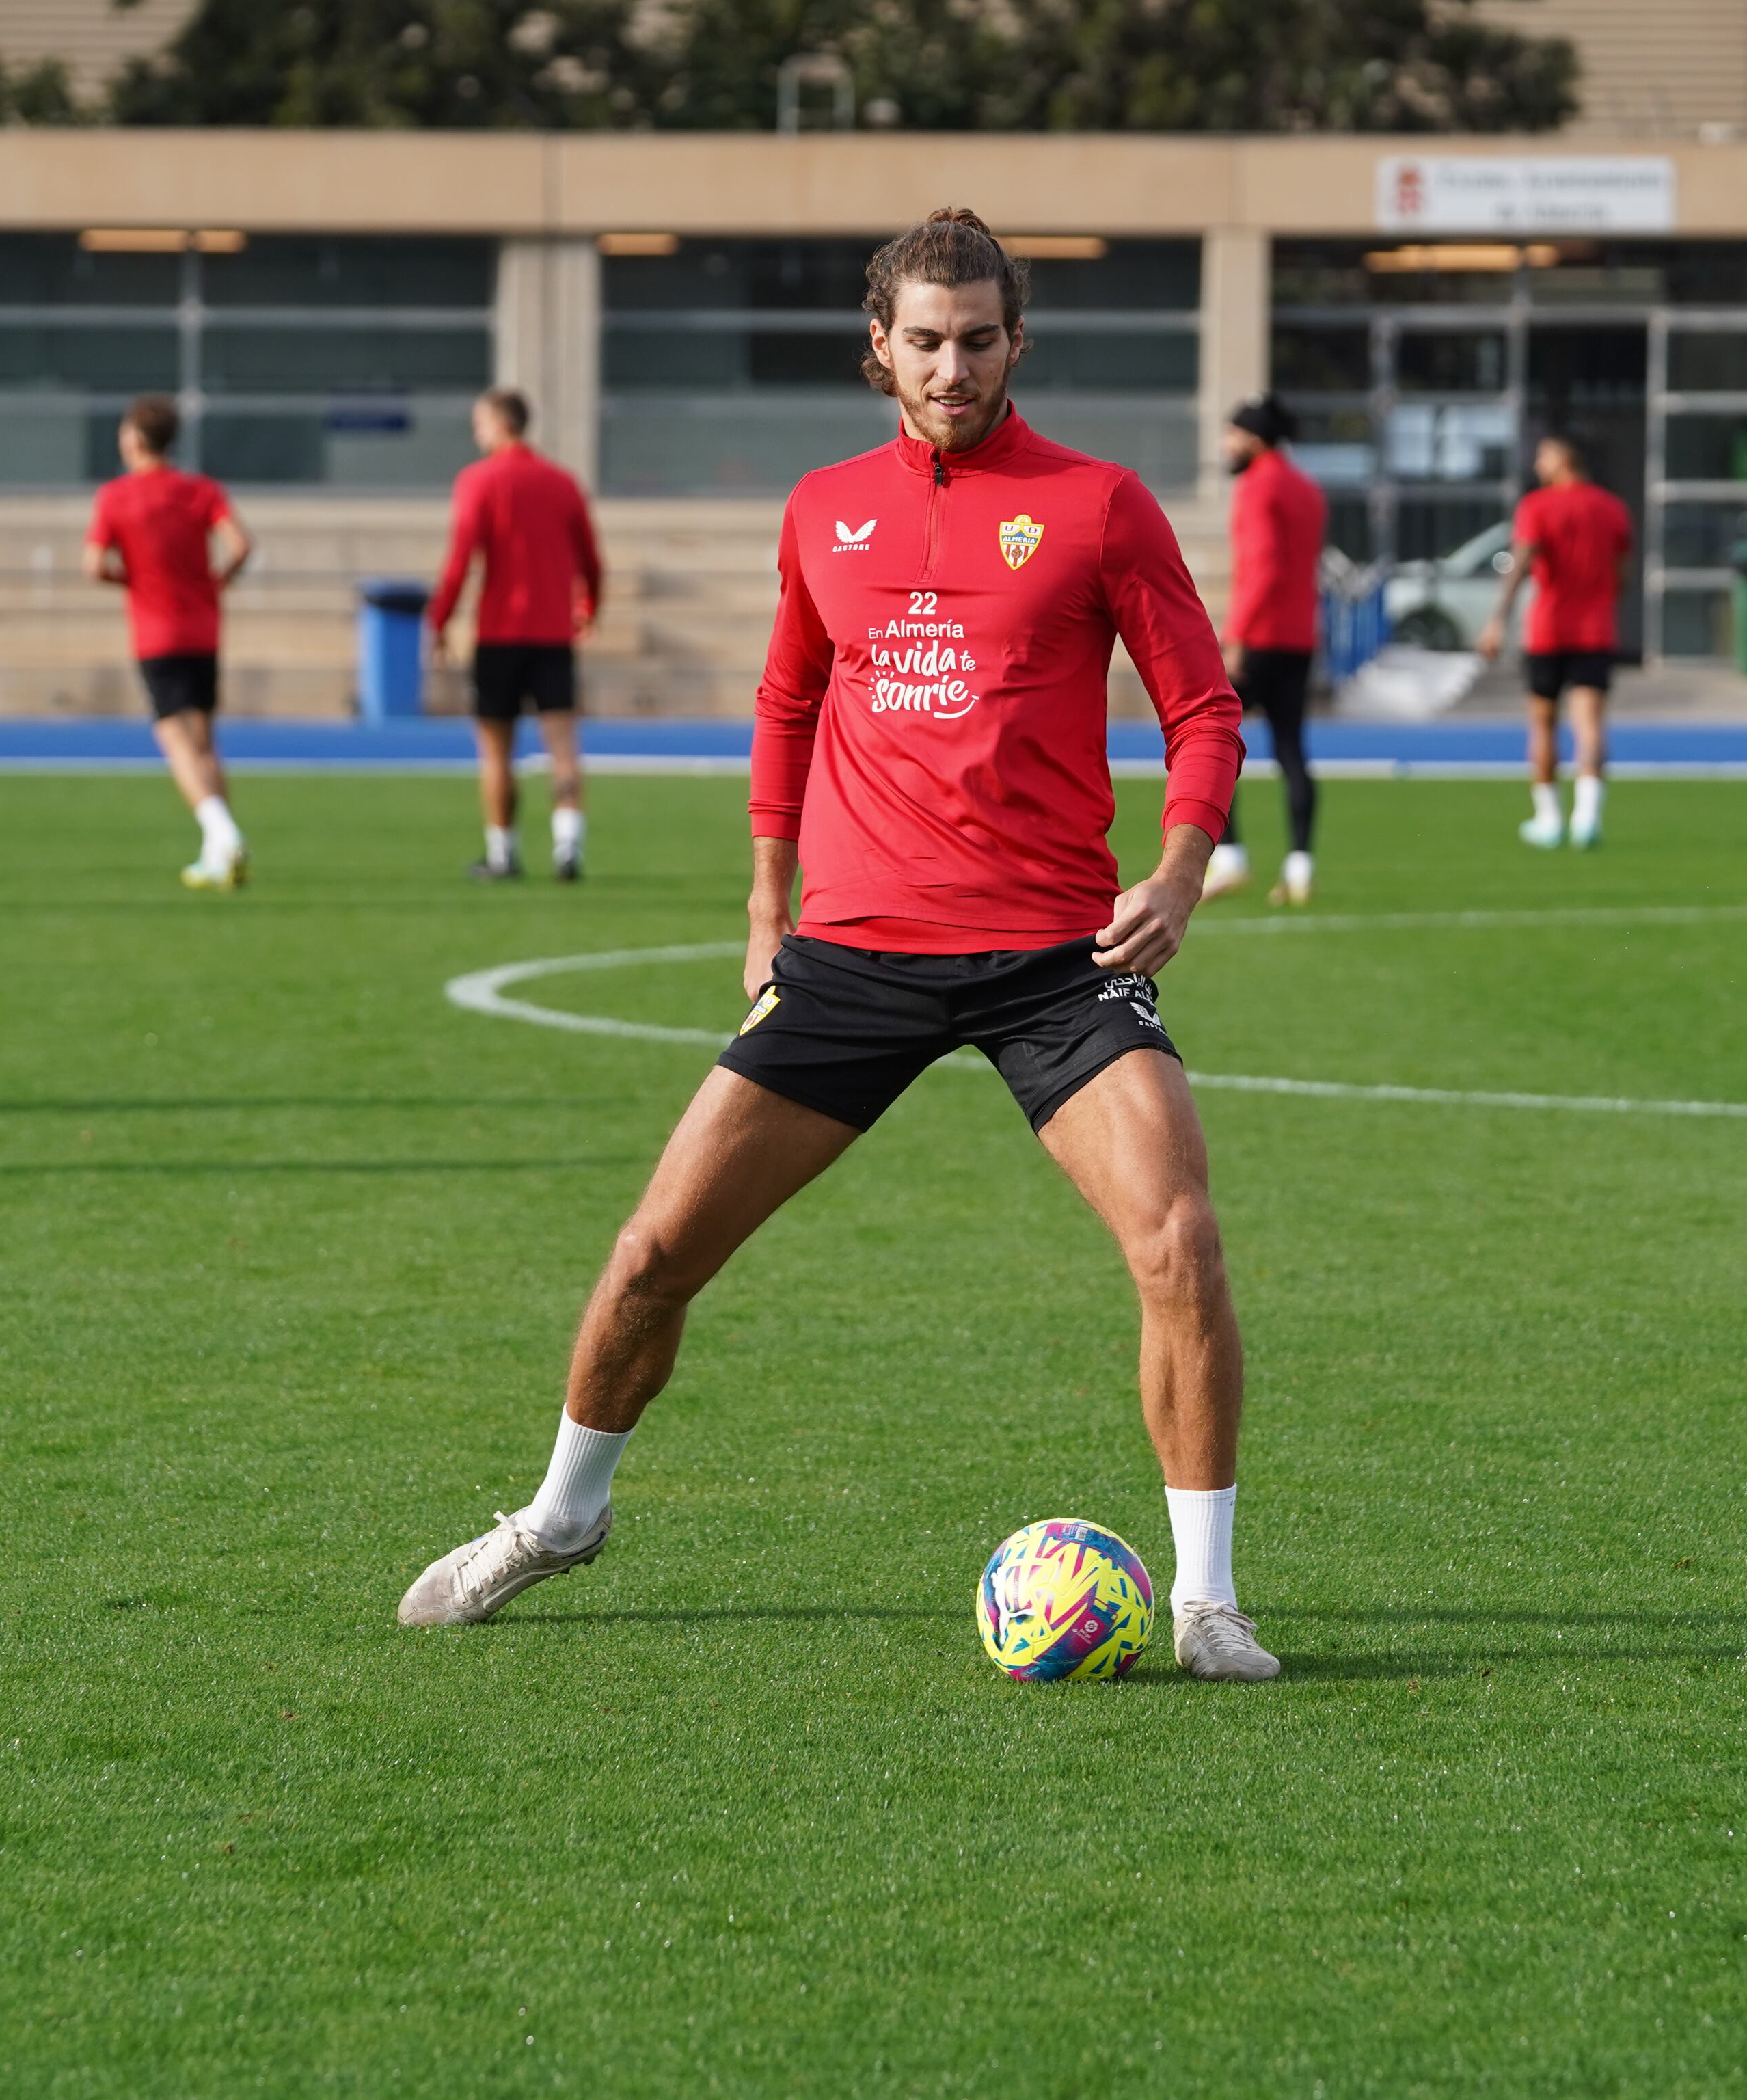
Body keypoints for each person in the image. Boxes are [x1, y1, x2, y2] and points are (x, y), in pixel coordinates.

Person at [398, 208, 1279, 1682]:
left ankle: (1206, 1600)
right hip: (853, 951)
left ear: (1017, 342)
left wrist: (1183, 868)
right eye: (925, 342)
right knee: (652, 1253)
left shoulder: (1099, 505)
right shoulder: (823, 509)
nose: (952, 369)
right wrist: (766, 905)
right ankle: (560, 1516)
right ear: (881, 346)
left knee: (1179, 1240)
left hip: (1054, 958)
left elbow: (1203, 707)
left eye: (979, 340)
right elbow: (786, 703)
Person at [426, 388, 601, 881]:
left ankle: (503, 853)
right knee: (562, 744)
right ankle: (568, 847)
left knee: (497, 750)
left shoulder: (479, 480)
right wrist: (590, 605)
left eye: (480, 423)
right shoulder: (562, 482)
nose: (475, 432)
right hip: (553, 632)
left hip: (500, 633)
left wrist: (440, 620)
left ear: (501, 425)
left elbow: (461, 557)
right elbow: (591, 558)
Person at [87, 396, 255, 888]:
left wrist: (132, 580)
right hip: (204, 627)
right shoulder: (200, 490)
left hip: (157, 631)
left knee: (173, 738)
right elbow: (241, 545)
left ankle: (222, 831)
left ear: (135, 440)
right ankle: (216, 855)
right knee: (204, 740)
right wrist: (219, 579)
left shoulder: (117, 496)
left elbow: (94, 565)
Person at [1202, 394, 1329, 907]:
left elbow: (1263, 567)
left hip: (1259, 637)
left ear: (1254, 440)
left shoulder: (1258, 485)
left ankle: (1230, 857)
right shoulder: (1307, 487)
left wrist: (1236, 637)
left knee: (1209, 739)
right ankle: (1300, 867)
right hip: (1300, 637)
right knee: (1292, 750)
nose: (1225, 445)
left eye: (1232, 435)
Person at [1478, 433, 1629, 851]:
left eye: (1544, 456)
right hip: (1595, 630)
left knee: (1543, 721)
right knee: (1590, 722)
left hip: (1549, 629)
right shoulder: (1612, 508)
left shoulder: (1538, 506)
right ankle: (1587, 817)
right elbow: (1622, 572)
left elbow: (1521, 562)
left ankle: (1549, 819)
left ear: (1565, 458)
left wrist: (1497, 620)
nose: (1537, 464)